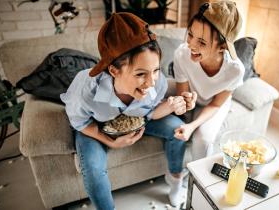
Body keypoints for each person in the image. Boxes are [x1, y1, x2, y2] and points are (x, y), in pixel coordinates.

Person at [60, 12, 191, 209]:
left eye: (155, 70)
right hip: (97, 126)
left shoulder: (157, 82)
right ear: (114, 70)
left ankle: (175, 182)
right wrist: (111, 142)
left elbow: (150, 113)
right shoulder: (86, 89)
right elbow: (80, 122)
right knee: (94, 168)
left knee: (178, 129)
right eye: (140, 74)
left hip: (138, 119)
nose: (151, 82)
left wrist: (175, 104)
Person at [173, 1, 245, 161]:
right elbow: (182, 94)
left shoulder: (235, 70)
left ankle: (196, 180)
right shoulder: (181, 54)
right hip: (193, 94)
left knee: (203, 140)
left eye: (202, 42)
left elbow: (216, 104)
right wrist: (186, 102)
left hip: (214, 104)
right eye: (191, 35)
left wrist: (192, 126)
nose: (191, 44)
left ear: (222, 47)